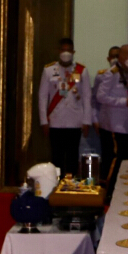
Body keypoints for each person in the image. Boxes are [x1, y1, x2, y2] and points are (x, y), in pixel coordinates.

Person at [38, 37, 91, 175]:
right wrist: (44, 121)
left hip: (75, 121)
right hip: (55, 121)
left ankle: (71, 189)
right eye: (63, 50)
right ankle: (57, 188)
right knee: (56, 158)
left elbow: (86, 97)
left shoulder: (81, 70)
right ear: (58, 51)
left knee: (73, 158)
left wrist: (86, 121)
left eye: (68, 50)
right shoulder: (49, 70)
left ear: (73, 52)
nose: (65, 53)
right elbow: (43, 97)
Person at [94, 43, 128, 189]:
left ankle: (120, 189)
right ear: (120, 56)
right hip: (113, 124)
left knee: (125, 160)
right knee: (113, 160)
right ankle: (107, 190)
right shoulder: (111, 73)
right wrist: (123, 102)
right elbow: (100, 97)